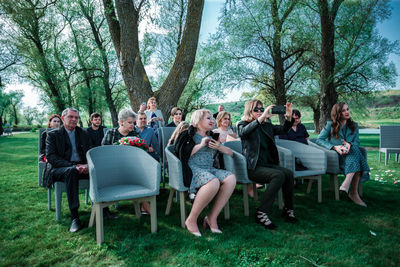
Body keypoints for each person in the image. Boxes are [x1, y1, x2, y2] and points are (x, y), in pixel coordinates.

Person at [174, 109, 236, 237]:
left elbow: (231, 153)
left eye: (211, 118)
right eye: (208, 118)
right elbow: (181, 156)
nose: (212, 120)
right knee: (213, 182)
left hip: (209, 168)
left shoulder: (213, 135)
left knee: (231, 178)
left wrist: (219, 147)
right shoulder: (187, 134)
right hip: (192, 169)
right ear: (198, 121)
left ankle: (211, 218)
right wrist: (200, 145)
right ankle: (191, 219)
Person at [237, 100, 298, 230]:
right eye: (256, 110)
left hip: (268, 164)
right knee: (278, 175)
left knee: (288, 174)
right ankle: (261, 213)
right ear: (249, 111)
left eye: (261, 109)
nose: (259, 112)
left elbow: (283, 130)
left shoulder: (267, 125)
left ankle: (288, 209)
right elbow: (243, 133)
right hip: (253, 167)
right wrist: (261, 119)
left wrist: (288, 118)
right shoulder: (242, 124)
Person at [44, 108, 92, 233]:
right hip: (60, 169)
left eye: (76, 117)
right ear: (62, 117)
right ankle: (75, 217)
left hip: (81, 166)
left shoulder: (83, 133)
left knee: (98, 169)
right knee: (71, 171)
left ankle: (103, 209)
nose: (74, 119)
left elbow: (91, 152)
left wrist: (87, 165)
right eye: (71, 117)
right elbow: (51, 158)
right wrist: (73, 166)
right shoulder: (52, 135)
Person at [316, 102, 369, 207]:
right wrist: (335, 147)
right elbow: (319, 140)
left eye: (348, 109)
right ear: (338, 113)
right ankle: (353, 193)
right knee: (356, 156)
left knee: (354, 150)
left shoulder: (354, 126)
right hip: (338, 157)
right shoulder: (330, 125)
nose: (347, 112)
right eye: (343, 110)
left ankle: (347, 183)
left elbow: (357, 142)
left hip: (351, 155)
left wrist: (349, 144)